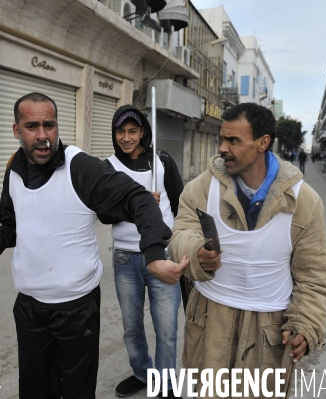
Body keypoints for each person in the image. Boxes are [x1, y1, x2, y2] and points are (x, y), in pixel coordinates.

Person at [0, 93, 188, 399]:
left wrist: (154, 255)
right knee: (35, 390)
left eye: (49, 125)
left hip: (77, 309)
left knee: (78, 392)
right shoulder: (14, 167)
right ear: (16, 131)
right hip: (29, 308)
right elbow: (14, 228)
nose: (42, 136)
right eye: (32, 126)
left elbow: (139, 199)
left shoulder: (80, 167)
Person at [168, 103, 326, 395]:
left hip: (268, 331)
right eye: (222, 138)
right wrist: (196, 252)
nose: (222, 148)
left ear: (263, 143)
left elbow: (315, 278)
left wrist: (306, 324)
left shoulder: (303, 202)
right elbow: (180, 233)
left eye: (233, 140)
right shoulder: (201, 188)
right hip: (210, 323)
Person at [105, 105, 184, 398]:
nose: (126, 138)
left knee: (167, 328)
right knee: (131, 327)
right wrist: (135, 202)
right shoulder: (109, 166)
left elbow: (180, 204)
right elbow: (104, 213)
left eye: (133, 131)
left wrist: (178, 242)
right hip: (125, 256)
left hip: (163, 255)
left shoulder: (162, 160)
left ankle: (166, 384)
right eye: (121, 131)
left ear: (143, 133)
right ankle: (142, 373)